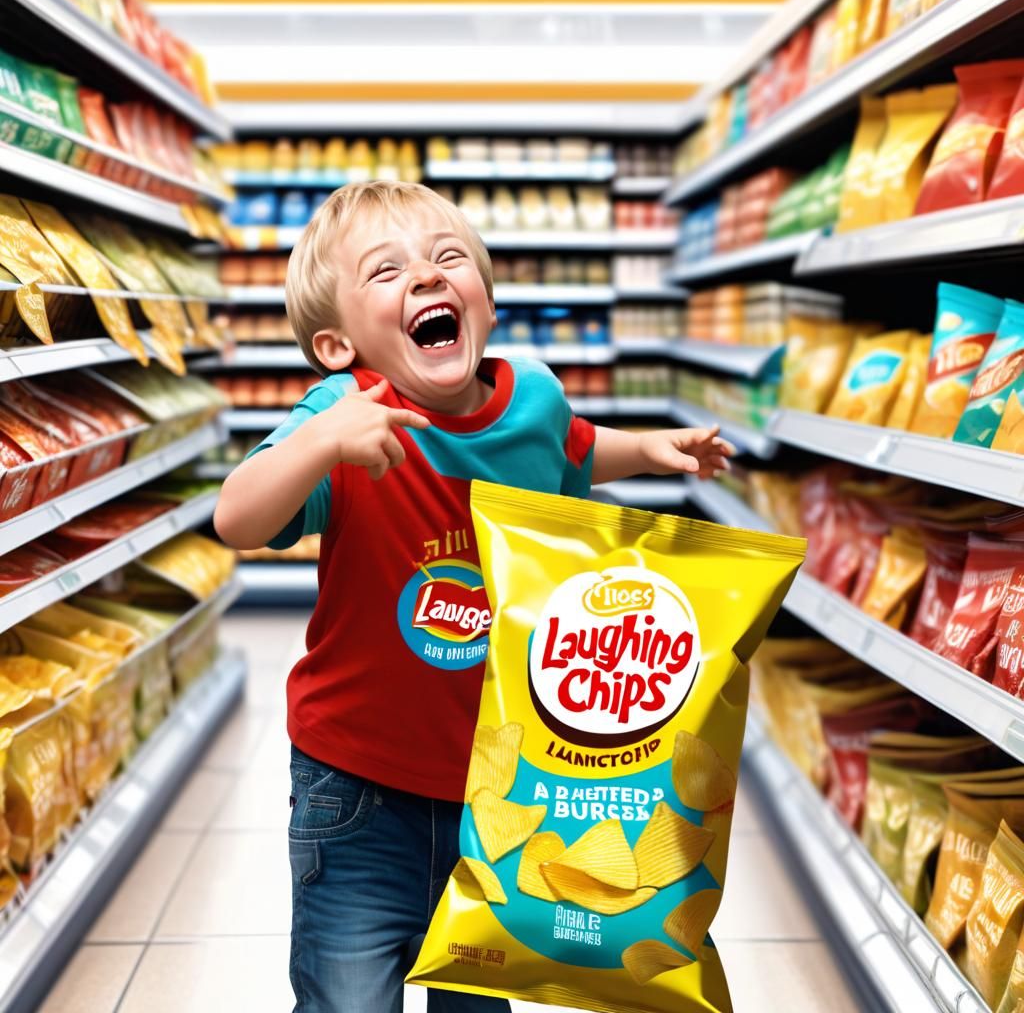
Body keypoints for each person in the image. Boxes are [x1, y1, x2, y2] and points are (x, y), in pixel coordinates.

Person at [213, 181, 733, 1013]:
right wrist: (319, 443)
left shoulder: (533, 397)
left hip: (497, 785)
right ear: (338, 344)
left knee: (477, 995)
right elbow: (237, 517)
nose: (426, 275)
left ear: (485, 304)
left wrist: (652, 449)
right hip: (356, 785)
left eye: (448, 258)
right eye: (387, 271)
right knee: (349, 991)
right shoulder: (342, 416)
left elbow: (574, 449)